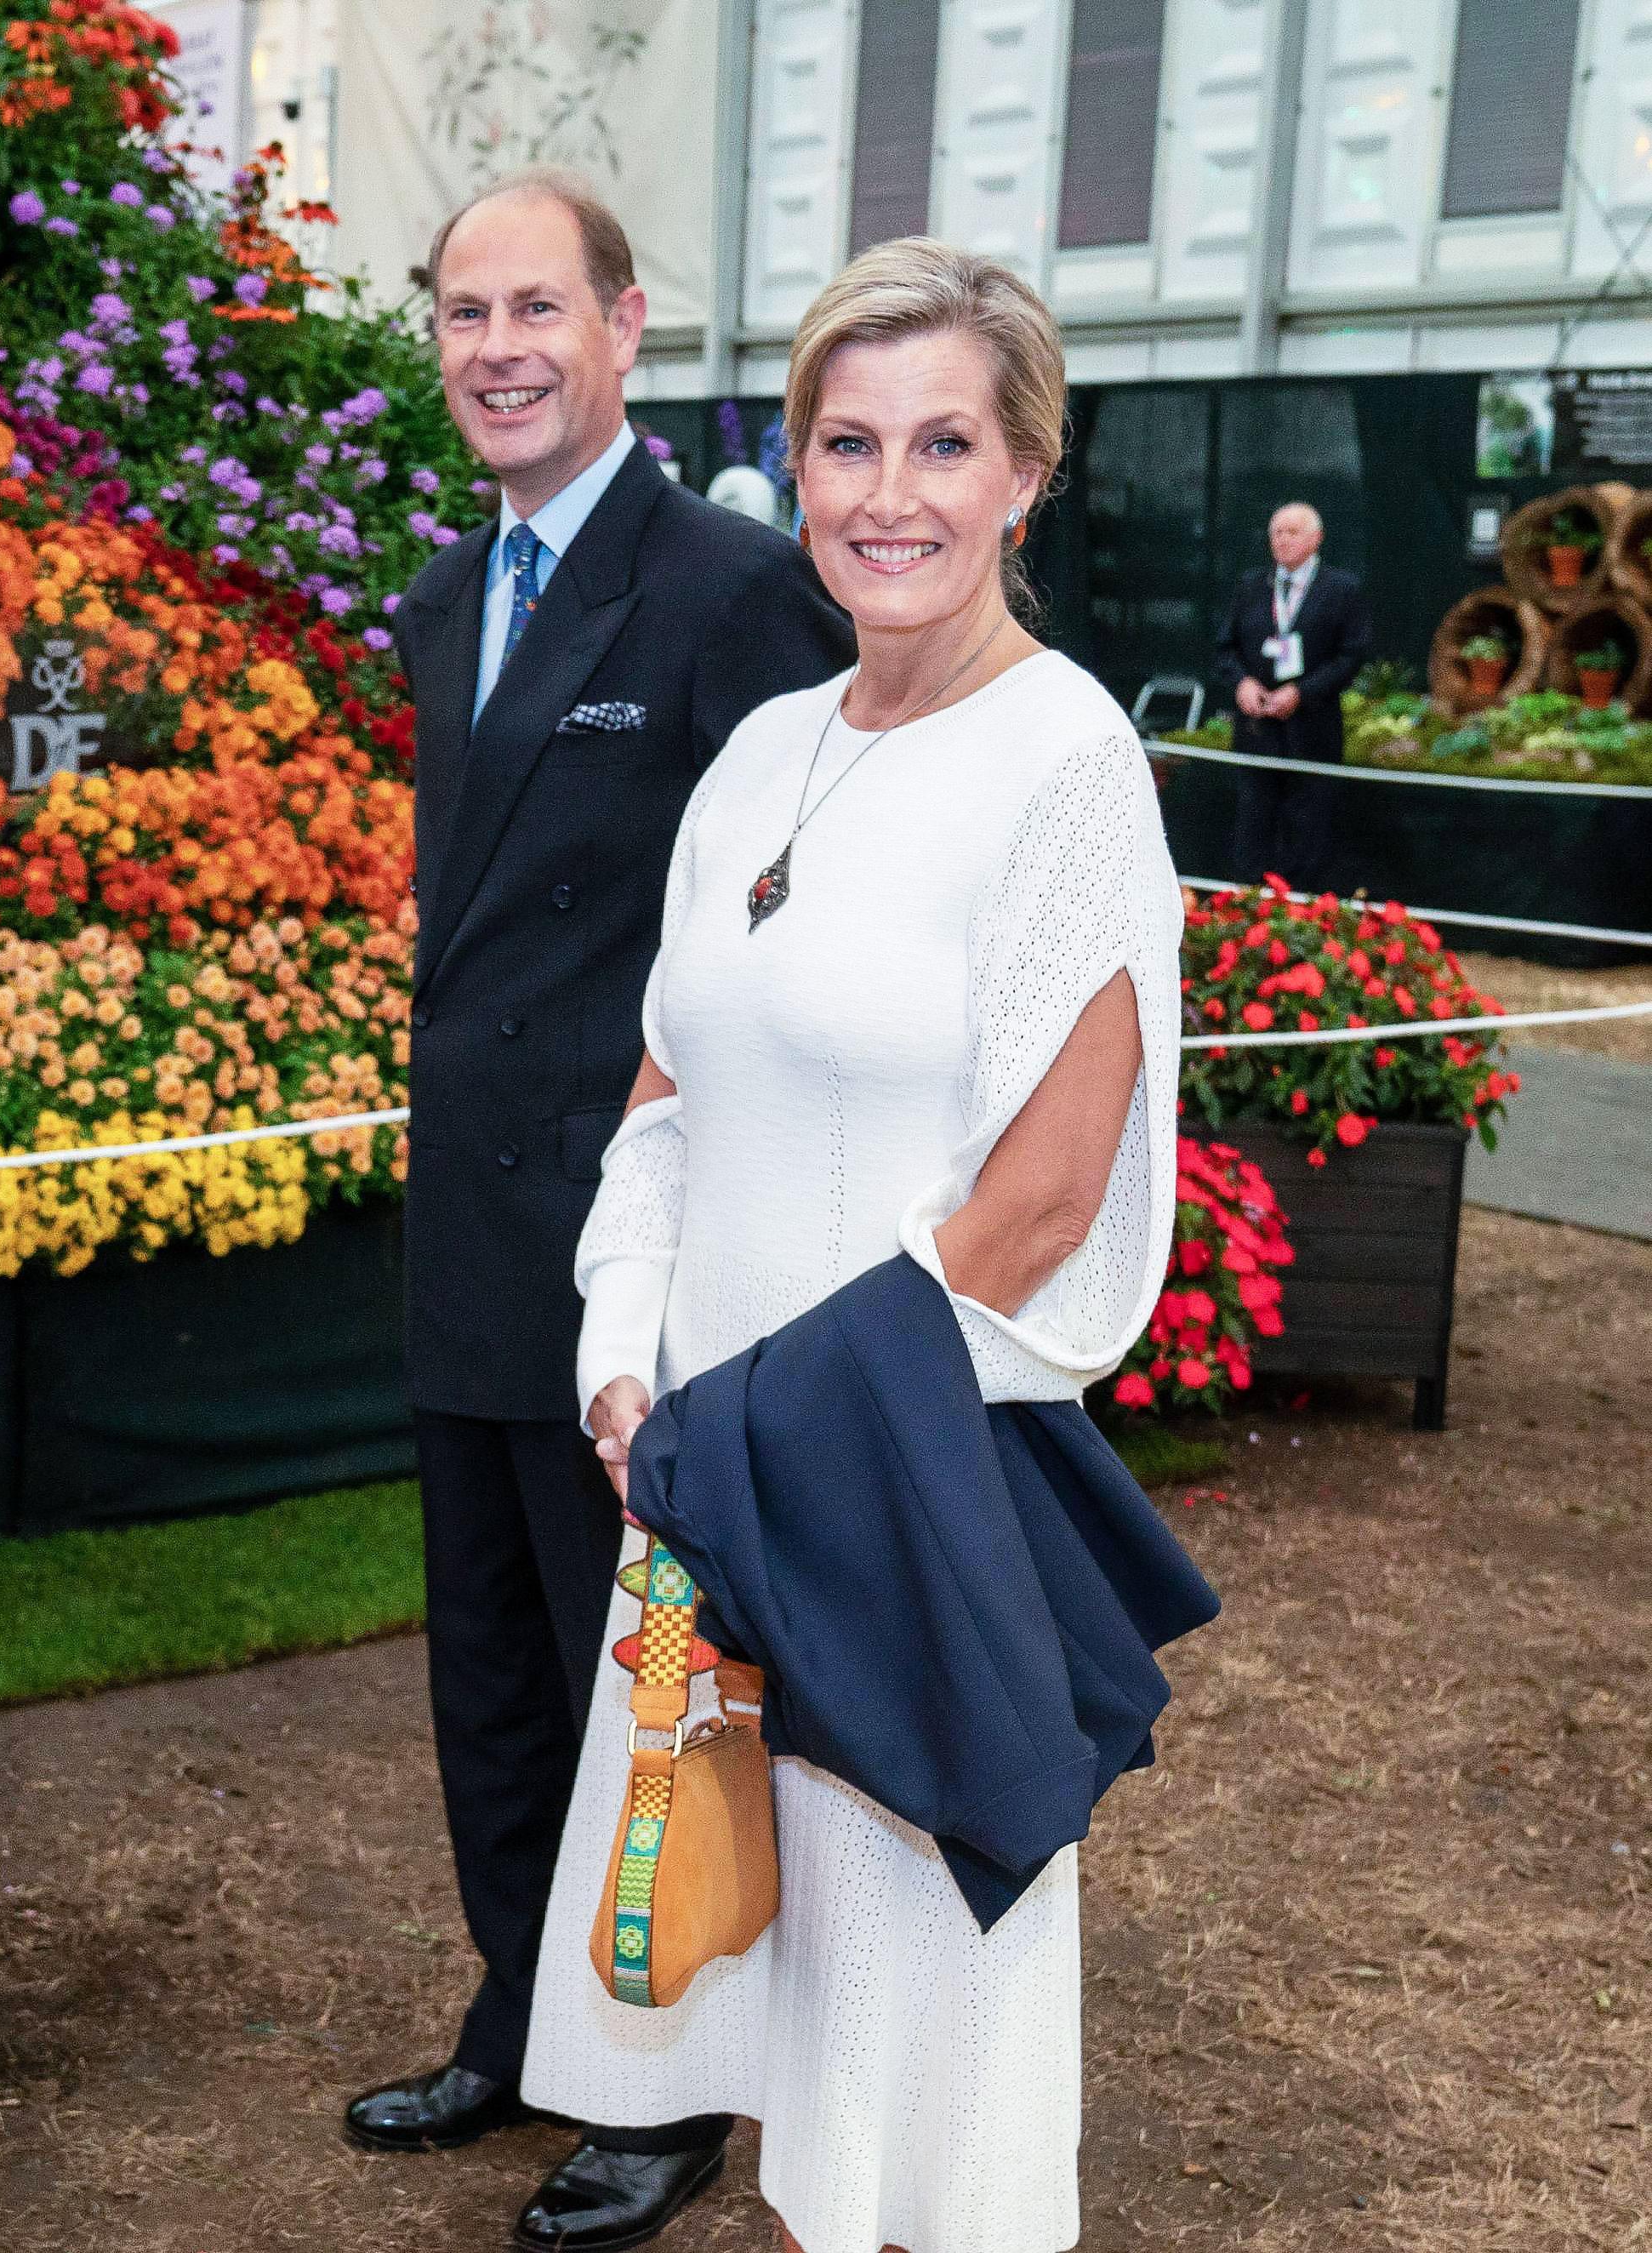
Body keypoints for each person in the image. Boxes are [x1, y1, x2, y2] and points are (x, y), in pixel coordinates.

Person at [532, 236, 1187, 2253]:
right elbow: (666, 1091)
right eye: (844, 442)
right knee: (785, 1987)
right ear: (793, 469)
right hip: (711, 1471)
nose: (886, 491)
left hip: (893, 1468)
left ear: (1021, 475)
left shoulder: (1067, 763)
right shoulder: (758, 753)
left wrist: (743, 1433)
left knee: (933, 2030)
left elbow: (1041, 1199)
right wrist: (621, 1359)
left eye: (940, 443)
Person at [350, 165, 852, 2253]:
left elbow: (809, 905)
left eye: (534, 309)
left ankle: (662, 2080)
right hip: (470, 1224)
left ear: (627, 328)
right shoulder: (438, 603)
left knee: (641, 1665)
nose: (495, 350)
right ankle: (522, 2011)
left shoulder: (735, 587)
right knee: (488, 1657)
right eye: (463, 314)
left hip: (643, 1240)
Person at [1209, 501, 1370, 887]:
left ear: (1316, 539)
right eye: (1276, 533)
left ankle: (1300, 916)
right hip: (1256, 732)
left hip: (1312, 731)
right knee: (1253, 823)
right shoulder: (1251, 585)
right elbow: (1224, 648)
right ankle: (1248, 910)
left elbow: (1351, 657)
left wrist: (1302, 692)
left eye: (1291, 532)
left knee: (1309, 828)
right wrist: (1242, 683)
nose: (1281, 540)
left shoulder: (1342, 589)